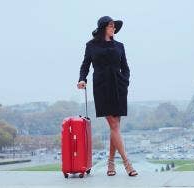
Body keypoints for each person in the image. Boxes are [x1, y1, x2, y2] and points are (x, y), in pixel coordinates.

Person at [77, 16, 138, 177]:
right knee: (113, 124)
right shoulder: (91, 46)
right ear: (104, 27)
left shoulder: (120, 46)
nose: (114, 29)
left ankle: (110, 164)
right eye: (111, 26)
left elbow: (126, 68)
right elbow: (85, 65)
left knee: (115, 127)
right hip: (102, 86)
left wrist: (124, 82)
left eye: (114, 26)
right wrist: (82, 79)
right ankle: (127, 163)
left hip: (118, 86)